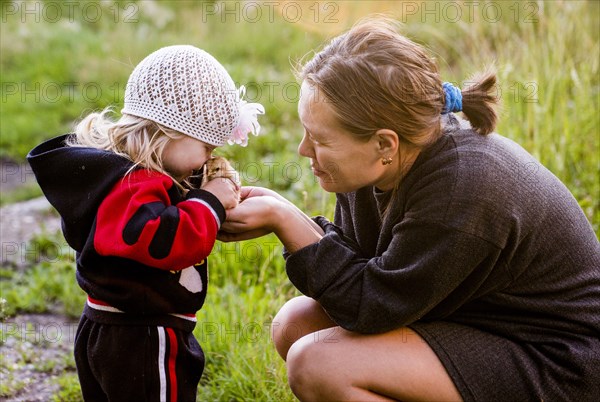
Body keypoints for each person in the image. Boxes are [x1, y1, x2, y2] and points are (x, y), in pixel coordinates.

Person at [219, 18, 600, 401]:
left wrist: (286, 221)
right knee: (294, 325)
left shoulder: (461, 189)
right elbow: (362, 273)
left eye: (319, 139)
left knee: (317, 364)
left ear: (385, 144)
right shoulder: (377, 166)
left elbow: (373, 306)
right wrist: (284, 212)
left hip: (556, 358)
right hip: (476, 321)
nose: (304, 150)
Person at [27, 45, 264, 401]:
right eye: (206, 147)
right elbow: (164, 240)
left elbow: (158, 210)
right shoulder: (133, 188)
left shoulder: (123, 180)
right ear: (170, 132)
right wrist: (210, 203)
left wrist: (200, 194)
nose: (209, 159)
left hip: (109, 326)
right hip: (142, 334)